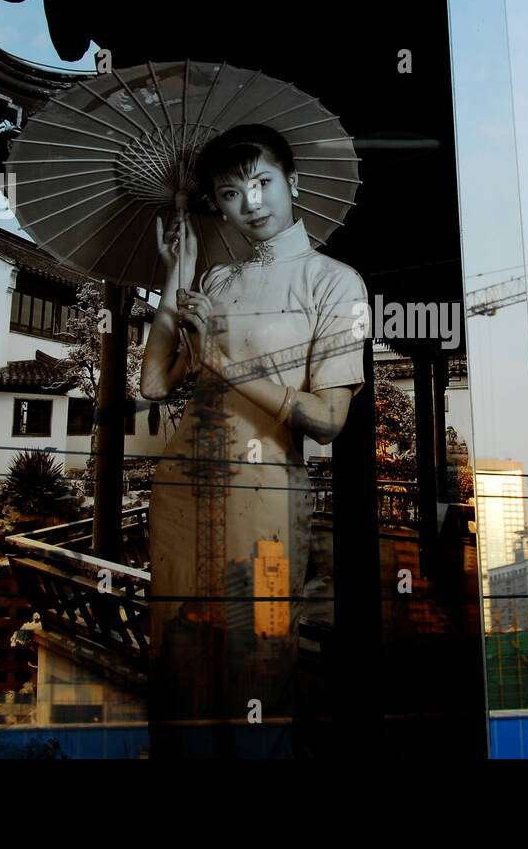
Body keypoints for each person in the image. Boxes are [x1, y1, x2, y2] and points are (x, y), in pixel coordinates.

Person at [140, 123, 367, 758]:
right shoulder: (213, 285)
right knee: (181, 673)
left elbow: (328, 419)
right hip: (184, 499)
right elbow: (155, 383)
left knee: (262, 670)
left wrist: (226, 363)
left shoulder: (335, 283)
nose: (253, 203)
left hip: (268, 508)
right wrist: (175, 275)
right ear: (217, 203)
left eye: (263, 182)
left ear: (291, 182)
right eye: (232, 193)